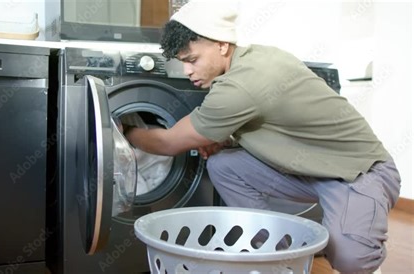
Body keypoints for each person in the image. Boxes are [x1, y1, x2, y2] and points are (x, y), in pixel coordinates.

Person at [122, 1, 401, 273]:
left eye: (192, 60)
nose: (187, 71)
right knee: (223, 164)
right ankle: (275, 254)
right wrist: (227, 139)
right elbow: (274, 130)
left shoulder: (242, 85)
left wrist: (126, 129)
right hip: (308, 170)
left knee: (351, 260)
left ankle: (360, 237)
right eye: (182, 62)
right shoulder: (256, 58)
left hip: (361, 174)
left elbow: (167, 143)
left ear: (221, 44)